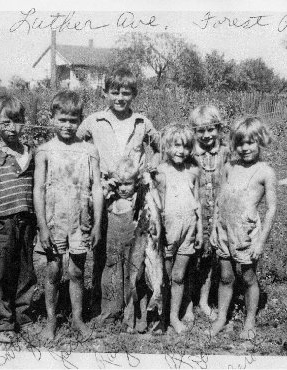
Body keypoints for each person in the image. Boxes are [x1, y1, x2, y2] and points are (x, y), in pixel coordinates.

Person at [77, 67, 161, 315]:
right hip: (104, 193)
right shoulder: (94, 120)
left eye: (126, 93)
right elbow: (76, 143)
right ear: (105, 93)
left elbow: (159, 145)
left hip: (134, 196)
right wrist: (90, 172)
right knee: (102, 247)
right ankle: (104, 302)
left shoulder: (141, 122)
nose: (120, 98)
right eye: (115, 92)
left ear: (133, 94)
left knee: (132, 247)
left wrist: (152, 166)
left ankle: (130, 302)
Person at [33, 91, 103, 341]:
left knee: (76, 271)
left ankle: (77, 318)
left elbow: (97, 188)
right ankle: (51, 320)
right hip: (54, 222)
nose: (67, 125)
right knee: (53, 271)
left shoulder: (89, 150)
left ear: (80, 120)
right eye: (62, 119)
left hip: (80, 221)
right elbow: (38, 189)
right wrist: (42, 226)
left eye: (73, 120)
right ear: (52, 118)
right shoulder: (44, 151)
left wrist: (96, 225)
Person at [209, 117, 277, 339]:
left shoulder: (265, 172)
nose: (245, 148)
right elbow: (220, 200)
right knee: (226, 276)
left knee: (248, 277)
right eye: (240, 143)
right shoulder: (229, 167)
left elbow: (271, 209)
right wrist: (213, 230)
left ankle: (249, 320)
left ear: (261, 142)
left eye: (250, 143)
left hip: (246, 233)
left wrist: (261, 241)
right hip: (225, 229)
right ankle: (221, 317)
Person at [0, 95, 36, 343]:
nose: (12, 127)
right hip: (1, 223)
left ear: (25, 122)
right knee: (1, 274)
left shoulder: (30, 154)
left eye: (17, 121)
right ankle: (2, 322)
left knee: (25, 271)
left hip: (26, 221)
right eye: (5, 122)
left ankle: (22, 315)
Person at [98, 157, 162, 334]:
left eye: (128, 184)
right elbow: (94, 202)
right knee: (111, 279)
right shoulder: (110, 200)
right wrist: (107, 187)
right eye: (119, 184)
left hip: (132, 250)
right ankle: (110, 313)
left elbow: (153, 196)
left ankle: (136, 318)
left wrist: (147, 178)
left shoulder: (138, 201)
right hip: (113, 249)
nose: (124, 189)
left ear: (136, 182)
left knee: (135, 279)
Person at [156, 124, 203, 334]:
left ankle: (175, 316)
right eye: (176, 145)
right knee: (164, 276)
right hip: (168, 230)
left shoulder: (193, 170)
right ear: (166, 146)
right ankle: (161, 316)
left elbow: (198, 203)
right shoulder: (160, 172)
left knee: (179, 275)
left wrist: (200, 230)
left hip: (189, 229)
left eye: (185, 147)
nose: (180, 151)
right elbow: (156, 205)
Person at [189, 105, 230, 321]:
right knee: (188, 258)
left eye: (211, 130)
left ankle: (203, 300)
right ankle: (187, 303)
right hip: (194, 214)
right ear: (193, 132)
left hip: (217, 214)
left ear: (219, 129)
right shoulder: (188, 153)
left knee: (208, 259)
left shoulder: (225, 152)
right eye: (200, 131)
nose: (206, 135)